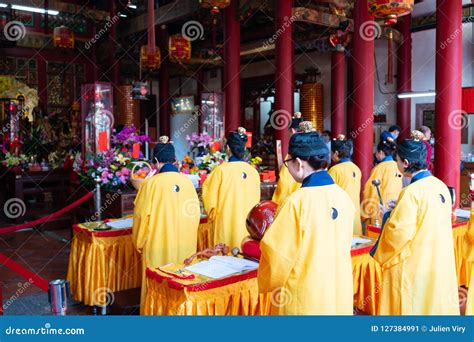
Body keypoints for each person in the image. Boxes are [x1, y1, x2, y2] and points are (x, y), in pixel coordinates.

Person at [258, 132, 355, 315]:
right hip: (337, 290)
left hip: (305, 295)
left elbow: (277, 254)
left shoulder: (296, 202)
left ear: (299, 163)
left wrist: (265, 279)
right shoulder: (343, 197)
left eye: (288, 164)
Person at [371, 139, 459, 315]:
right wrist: (398, 208)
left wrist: (387, 215)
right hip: (437, 260)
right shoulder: (440, 185)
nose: (397, 164)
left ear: (405, 163)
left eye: (397, 160)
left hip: (416, 264)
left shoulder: (411, 192)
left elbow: (397, 234)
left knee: (414, 308)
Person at [132, 136, 200, 313]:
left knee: (159, 287)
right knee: (181, 287)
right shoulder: (187, 182)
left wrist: (138, 243)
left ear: (155, 162)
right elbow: (196, 215)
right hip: (186, 246)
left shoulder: (150, 184)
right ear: (175, 161)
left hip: (158, 249)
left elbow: (141, 217)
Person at [202, 127, 261, 248]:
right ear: (244, 148)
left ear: (228, 149)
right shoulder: (253, 172)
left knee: (225, 260)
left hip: (225, 228)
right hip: (248, 229)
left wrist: (213, 217)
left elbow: (210, 205)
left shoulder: (220, 171)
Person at [362, 139, 403, 226]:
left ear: (380, 152)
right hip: (395, 208)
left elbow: (371, 192)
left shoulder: (379, 168)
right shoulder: (398, 166)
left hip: (380, 210)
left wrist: (366, 214)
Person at [328, 135, 362, 235]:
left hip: (341, 213)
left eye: (331, 153)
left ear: (336, 153)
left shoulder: (334, 170)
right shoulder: (356, 168)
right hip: (354, 212)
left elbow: (329, 195)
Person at [271, 116, 306, 207]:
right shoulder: (315, 152)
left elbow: (285, 183)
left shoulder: (293, 155)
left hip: (295, 203)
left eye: (289, 132)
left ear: (293, 131)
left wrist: (277, 204)